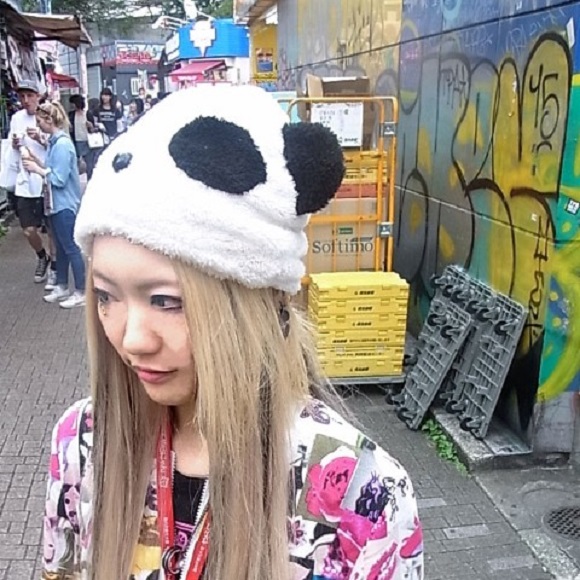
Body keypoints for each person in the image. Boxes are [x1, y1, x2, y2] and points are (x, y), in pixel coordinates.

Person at [41, 86, 424, 579]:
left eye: (166, 301)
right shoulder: (83, 442)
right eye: (106, 296)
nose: (132, 339)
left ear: (252, 303)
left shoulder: (361, 493)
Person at [23, 101, 86, 309]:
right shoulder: (55, 143)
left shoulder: (62, 145)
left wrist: (37, 169)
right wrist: (36, 163)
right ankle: (62, 286)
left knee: (70, 247)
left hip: (64, 204)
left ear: (49, 120)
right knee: (62, 246)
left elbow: (58, 179)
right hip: (56, 204)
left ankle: (81, 290)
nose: (38, 125)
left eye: (40, 121)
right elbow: (52, 172)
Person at [8, 79, 51, 284]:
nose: (26, 100)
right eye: (22, 96)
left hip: (45, 178)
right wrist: (14, 144)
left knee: (51, 230)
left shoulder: (48, 114)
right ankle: (42, 256)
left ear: (38, 96)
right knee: (28, 229)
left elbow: (59, 144)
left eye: (30, 96)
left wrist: (40, 139)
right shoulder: (16, 118)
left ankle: (56, 266)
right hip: (24, 180)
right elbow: (12, 146)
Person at [68, 95, 95, 180]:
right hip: (76, 141)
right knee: (75, 163)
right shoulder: (71, 114)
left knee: (89, 164)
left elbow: (93, 129)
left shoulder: (88, 114)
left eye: (73, 103)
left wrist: (91, 126)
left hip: (87, 141)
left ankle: (90, 179)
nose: (71, 105)